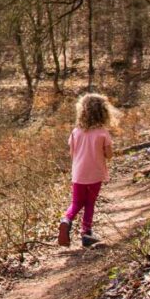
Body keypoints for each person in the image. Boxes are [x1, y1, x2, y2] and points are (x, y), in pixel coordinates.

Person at [58, 93, 115, 248]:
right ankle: (86, 233)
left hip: (78, 173)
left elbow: (72, 153)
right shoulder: (103, 132)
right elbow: (109, 155)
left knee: (76, 202)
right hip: (95, 173)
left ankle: (66, 220)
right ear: (103, 112)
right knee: (89, 203)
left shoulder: (75, 132)